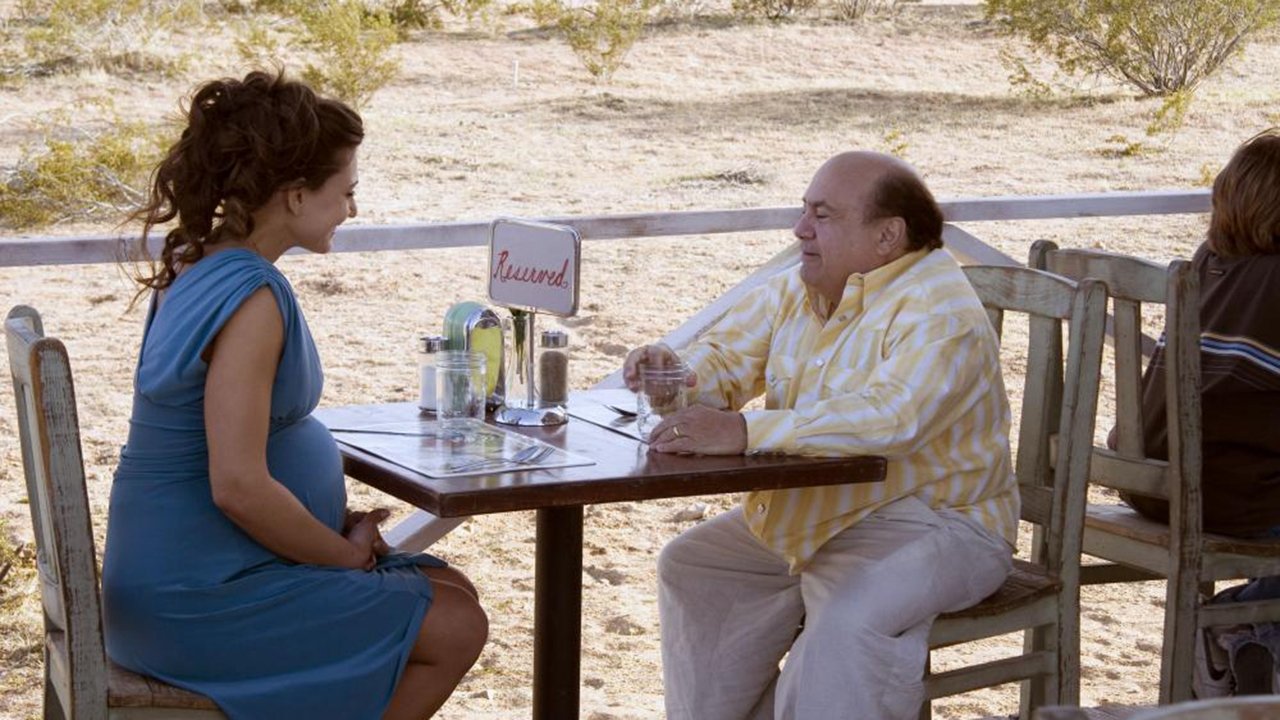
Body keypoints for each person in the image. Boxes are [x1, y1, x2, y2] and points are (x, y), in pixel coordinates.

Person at [102, 70, 487, 720]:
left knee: (451, 589)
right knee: (455, 626)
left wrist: (327, 527)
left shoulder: (199, 262)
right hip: (193, 600)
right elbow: (237, 487)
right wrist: (343, 557)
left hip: (187, 574)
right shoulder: (251, 299)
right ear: (297, 194)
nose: (352, 210)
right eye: (347, 192)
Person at [622, 151, 1018, 719]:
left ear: (887, 236)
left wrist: (744, 431)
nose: (800, 229)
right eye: (804, 210)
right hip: (821, 508)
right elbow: (726, 359)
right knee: (696, 566)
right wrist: (675, 378)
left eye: (822, 215)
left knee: (847, 622)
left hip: (937, 520)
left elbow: (890, 419)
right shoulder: (803, 287)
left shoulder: (940, 308)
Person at [1117, 128, 1280, 696]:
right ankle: (1243, 622)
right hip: (1227, 495)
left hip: (1150, 481)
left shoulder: (1210, 261)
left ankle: (1248, 632)